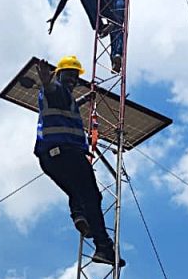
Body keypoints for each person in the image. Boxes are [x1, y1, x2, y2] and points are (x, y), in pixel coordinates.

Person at [34, 55, 125, 267]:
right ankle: (103, 247)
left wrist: (87, 98)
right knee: (92, 197)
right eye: (69, 75)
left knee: (79, 194)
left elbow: (65, 101)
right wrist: (47, 82)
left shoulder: (66, 99)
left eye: (75, 77)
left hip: (50, 159)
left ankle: (79, 217)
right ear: (59, 75)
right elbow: (53, 91)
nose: (72, 80)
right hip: (67, 154)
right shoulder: (55, 90)